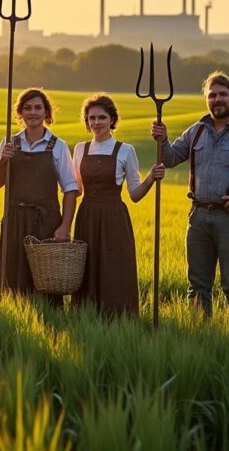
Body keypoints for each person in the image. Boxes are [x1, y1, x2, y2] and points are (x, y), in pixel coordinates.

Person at [151, 71, 229, 321]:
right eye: (212, 95)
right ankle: (201, 335)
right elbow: (169, 159)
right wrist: (163, 139)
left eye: (223, 94)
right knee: (197, 285)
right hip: (198, 217)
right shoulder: (196, 131)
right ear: (206, 100)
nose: (217, 99)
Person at [70, 94, 165, 316]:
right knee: (86, 267)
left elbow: (134, 194)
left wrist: (151, 177)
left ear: (112, 120)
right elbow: (76, 189)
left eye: (101, 117)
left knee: (115, 266)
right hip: (86, 215)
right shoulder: (80, 149)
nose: (96, 123)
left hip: (114, 217)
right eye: (91, 118)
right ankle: (86, 315)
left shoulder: (125, 150)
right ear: (86, 121)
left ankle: (118, 316)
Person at [0, 88, 79, 306]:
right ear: (19, 113)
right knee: (12, 279)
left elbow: (70, 189)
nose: (33, 112)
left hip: (46, 222)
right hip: (14, 219)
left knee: (46, 282)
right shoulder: (9, 143)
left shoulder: (57, 146)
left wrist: (64, 226)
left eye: (38, 107)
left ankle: (51, 325)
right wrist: (4, 160)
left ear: (47, 112)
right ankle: (13, 320)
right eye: (27, 108)